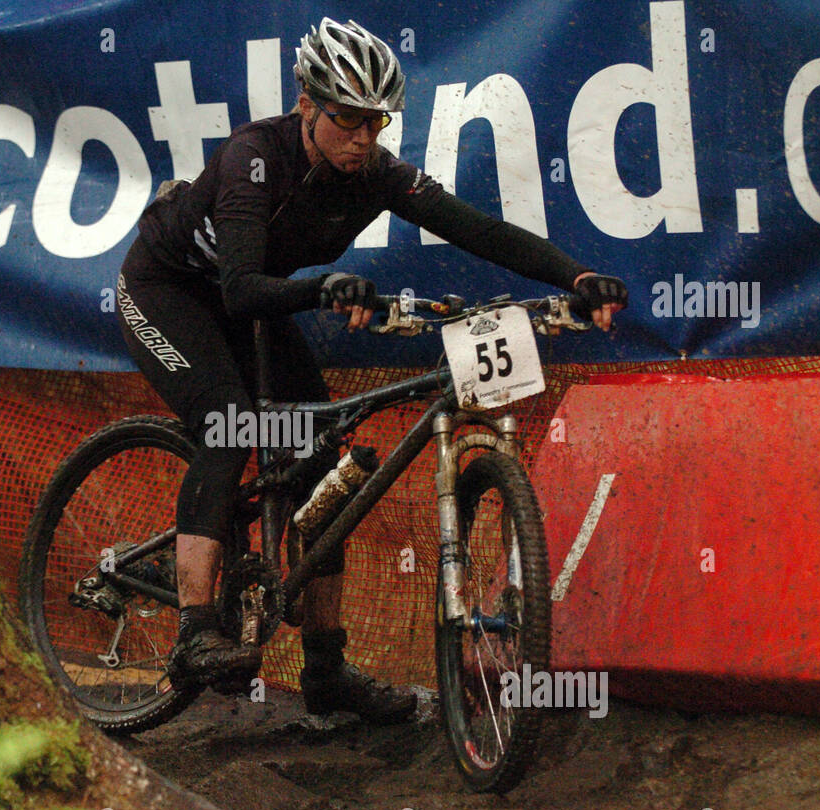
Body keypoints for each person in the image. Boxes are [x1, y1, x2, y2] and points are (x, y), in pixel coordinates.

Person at [117, 17, 626, 723]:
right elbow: (236, 288)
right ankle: (197, 631)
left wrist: (579, 276)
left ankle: (325, 669)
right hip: (168, 290)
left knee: (320, 459)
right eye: (347, 120)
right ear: (307, 107)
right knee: (229, 427)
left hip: (256, 304)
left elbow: (477, 229)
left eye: (375, 123)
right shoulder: (253, 158)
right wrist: (325, 289)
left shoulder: (378, 174)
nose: (362, 138)